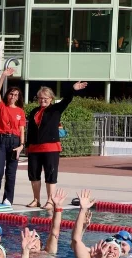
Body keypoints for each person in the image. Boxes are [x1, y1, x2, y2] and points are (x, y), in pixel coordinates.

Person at [25, 81, 88, 209]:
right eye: (40, 98)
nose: (42, 100)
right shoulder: (34, 112)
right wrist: (27, 146)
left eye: (45, 98)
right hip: (34, 148)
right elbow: (30, 130)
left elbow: (67, 99)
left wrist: (73, 89)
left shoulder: (55, 109)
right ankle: (36, 199)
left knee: (50, 174)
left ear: (51, 99)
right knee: (34, 175)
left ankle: (50, 200)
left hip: (50, 147)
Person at [0, 68, 25, 207]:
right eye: (11, 94)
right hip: (0, 140)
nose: (13, 96)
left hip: (15, 141)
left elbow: (22, 129)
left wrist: (22, 145)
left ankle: (8, 198)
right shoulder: (2, 107)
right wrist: (3, 76)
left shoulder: (20, 111)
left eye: (16, 95)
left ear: (18, 97)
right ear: (8, 95)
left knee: (11, 172)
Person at [71, 189, 122, 258]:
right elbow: (76, 240)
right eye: (108, 247)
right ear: (100, 249)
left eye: (115, 249)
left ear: (119, 254)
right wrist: (83, 210)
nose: (111, 251)